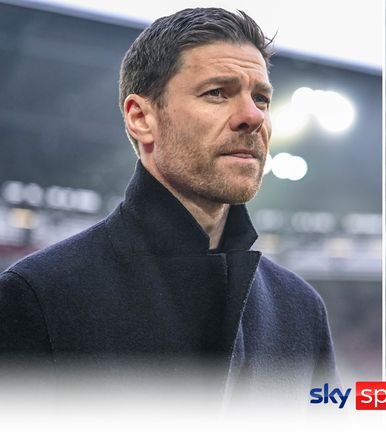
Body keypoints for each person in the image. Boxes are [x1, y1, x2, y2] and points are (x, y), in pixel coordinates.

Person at [0, 8, 336, 404]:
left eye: (261, 98)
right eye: (217, 93)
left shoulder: (300, 309)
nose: (252, 116)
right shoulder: (39, 297)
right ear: (141, 118)